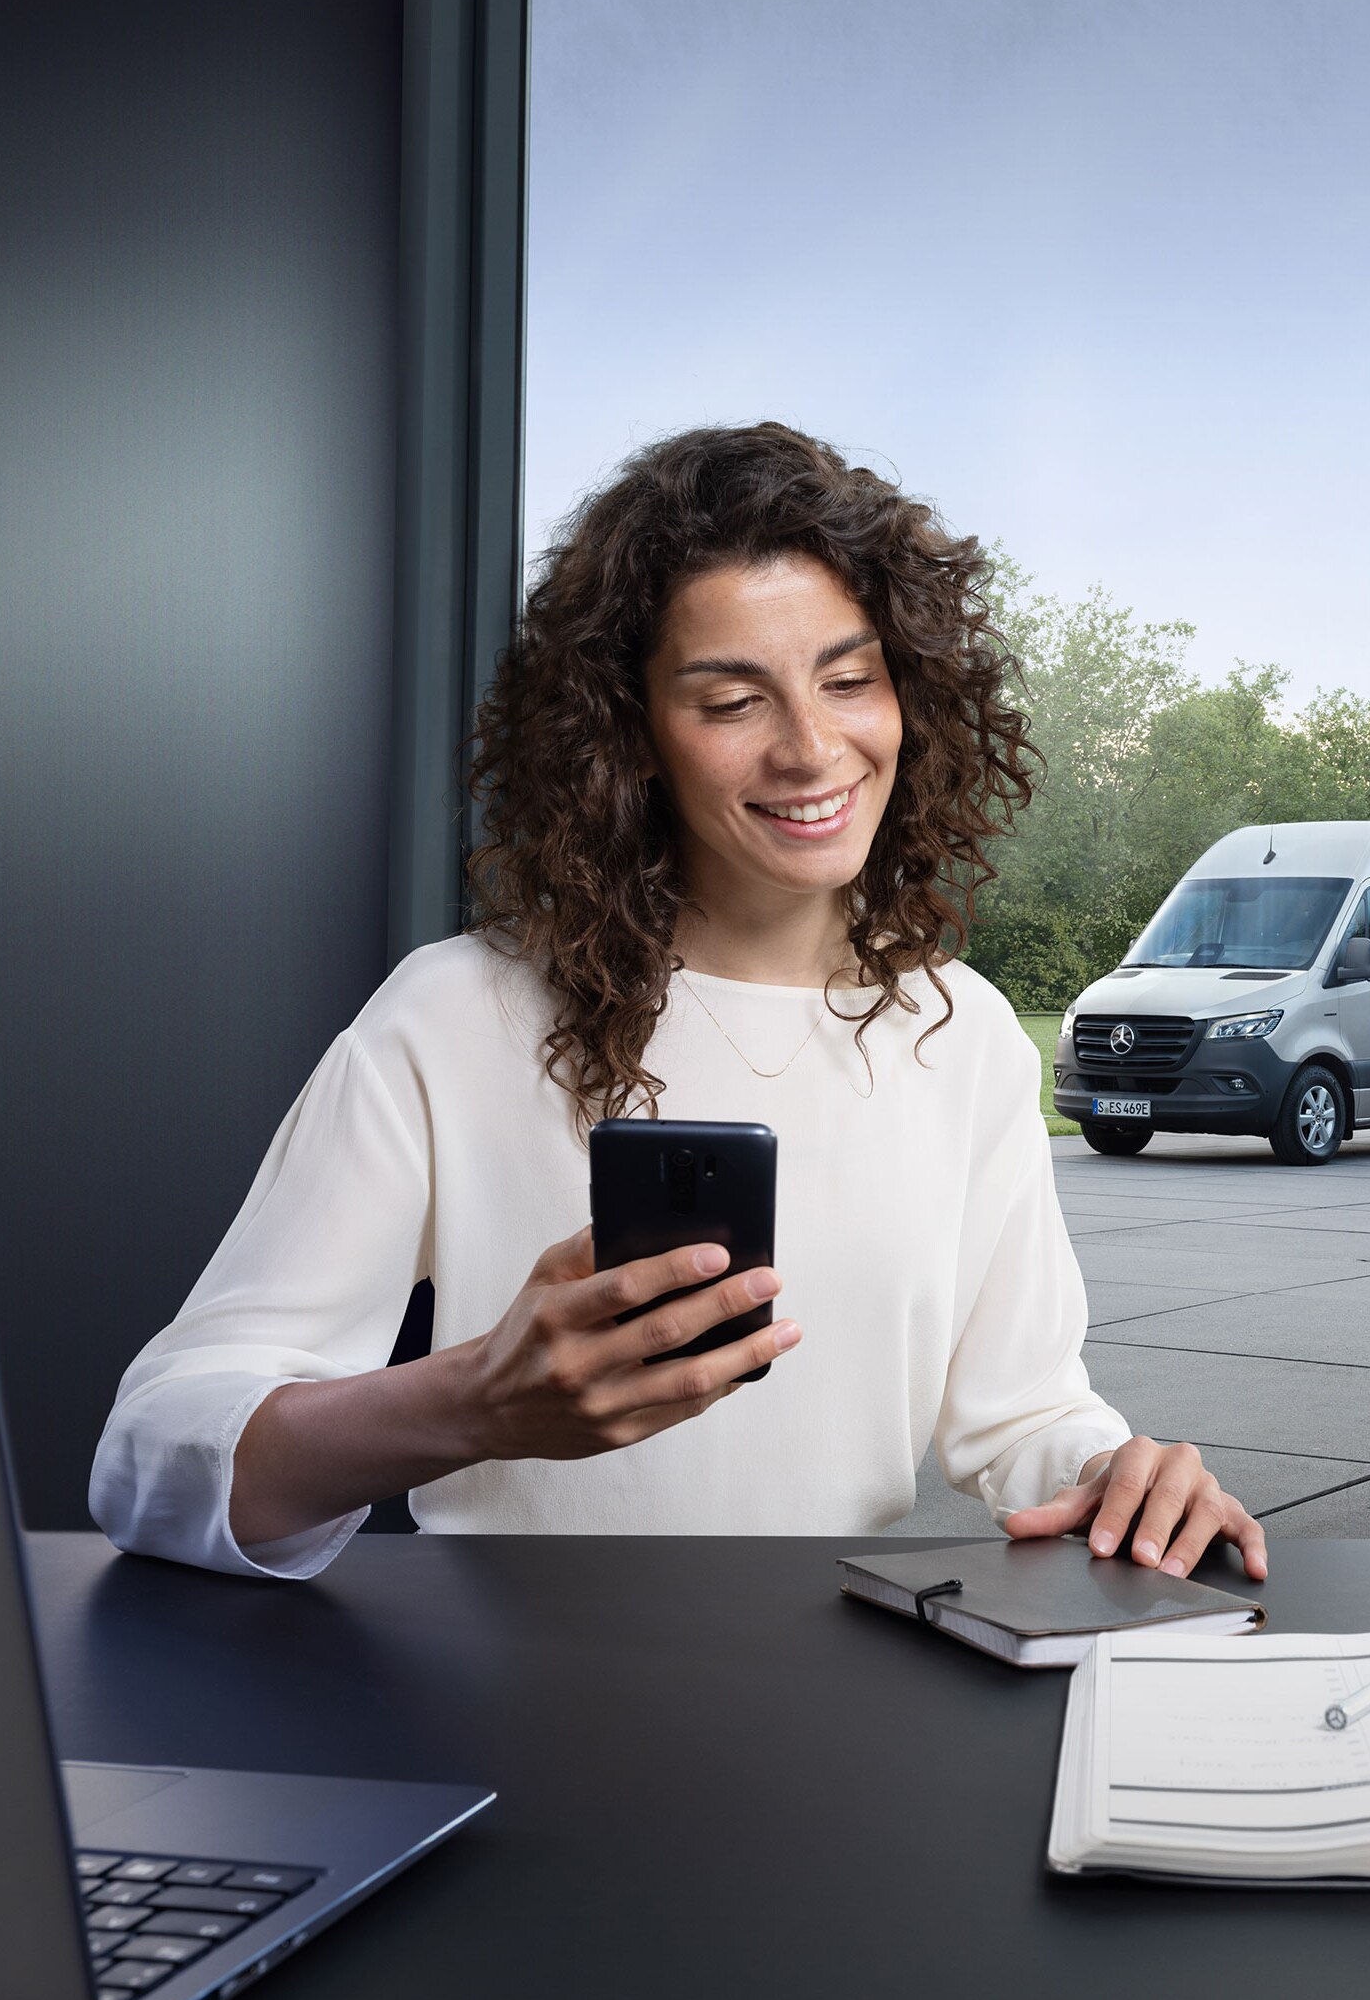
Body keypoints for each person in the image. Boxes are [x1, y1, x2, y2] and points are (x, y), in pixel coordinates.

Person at [91, 422, 1268, 1583]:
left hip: (835, 1697)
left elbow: (1020, 1417)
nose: (813, 750)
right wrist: (471, 1402)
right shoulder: (450, 1017)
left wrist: (1121, 1471)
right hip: (504, 1711)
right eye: (729, 701)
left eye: (849, 680)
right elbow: (150, 1460)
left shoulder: (962, 1037)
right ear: (630, 736)